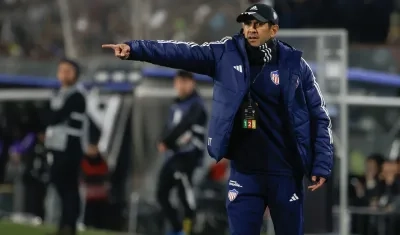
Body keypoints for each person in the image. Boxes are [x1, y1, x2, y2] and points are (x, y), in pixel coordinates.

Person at [102, 3, 333, 235]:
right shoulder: (225, 54)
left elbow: (318, 115)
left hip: (285, 172)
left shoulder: (296, 66)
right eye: (246, 24)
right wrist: (135, 49)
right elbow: (181, 53)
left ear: (273, 30)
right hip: (245, 172)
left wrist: (321, 163)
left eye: (258, 24)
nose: (250, 29)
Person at [155, 70, 207, 235]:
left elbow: (185, 126)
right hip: (173, 156)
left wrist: (167, 141)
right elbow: (169, 126)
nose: (181, 85)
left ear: (192, 83)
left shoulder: (197, 105)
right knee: (161, 193)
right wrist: (162, 139)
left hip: (187, 156)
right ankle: (177, 228)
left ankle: (187, 230)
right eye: (179, 81)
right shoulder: (175, 104)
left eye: (185, 81)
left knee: (185, 195)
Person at [44, 58, 86, 235]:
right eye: (61, 70)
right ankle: (64, 224)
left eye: (68, 71)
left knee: (69, 187)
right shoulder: (58, 94)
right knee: (59, 184)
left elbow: (56, 116)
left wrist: (50, 117)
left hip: (70, 147)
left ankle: (70, 225)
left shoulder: (77, 95)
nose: (64, 74)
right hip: (56, 146)